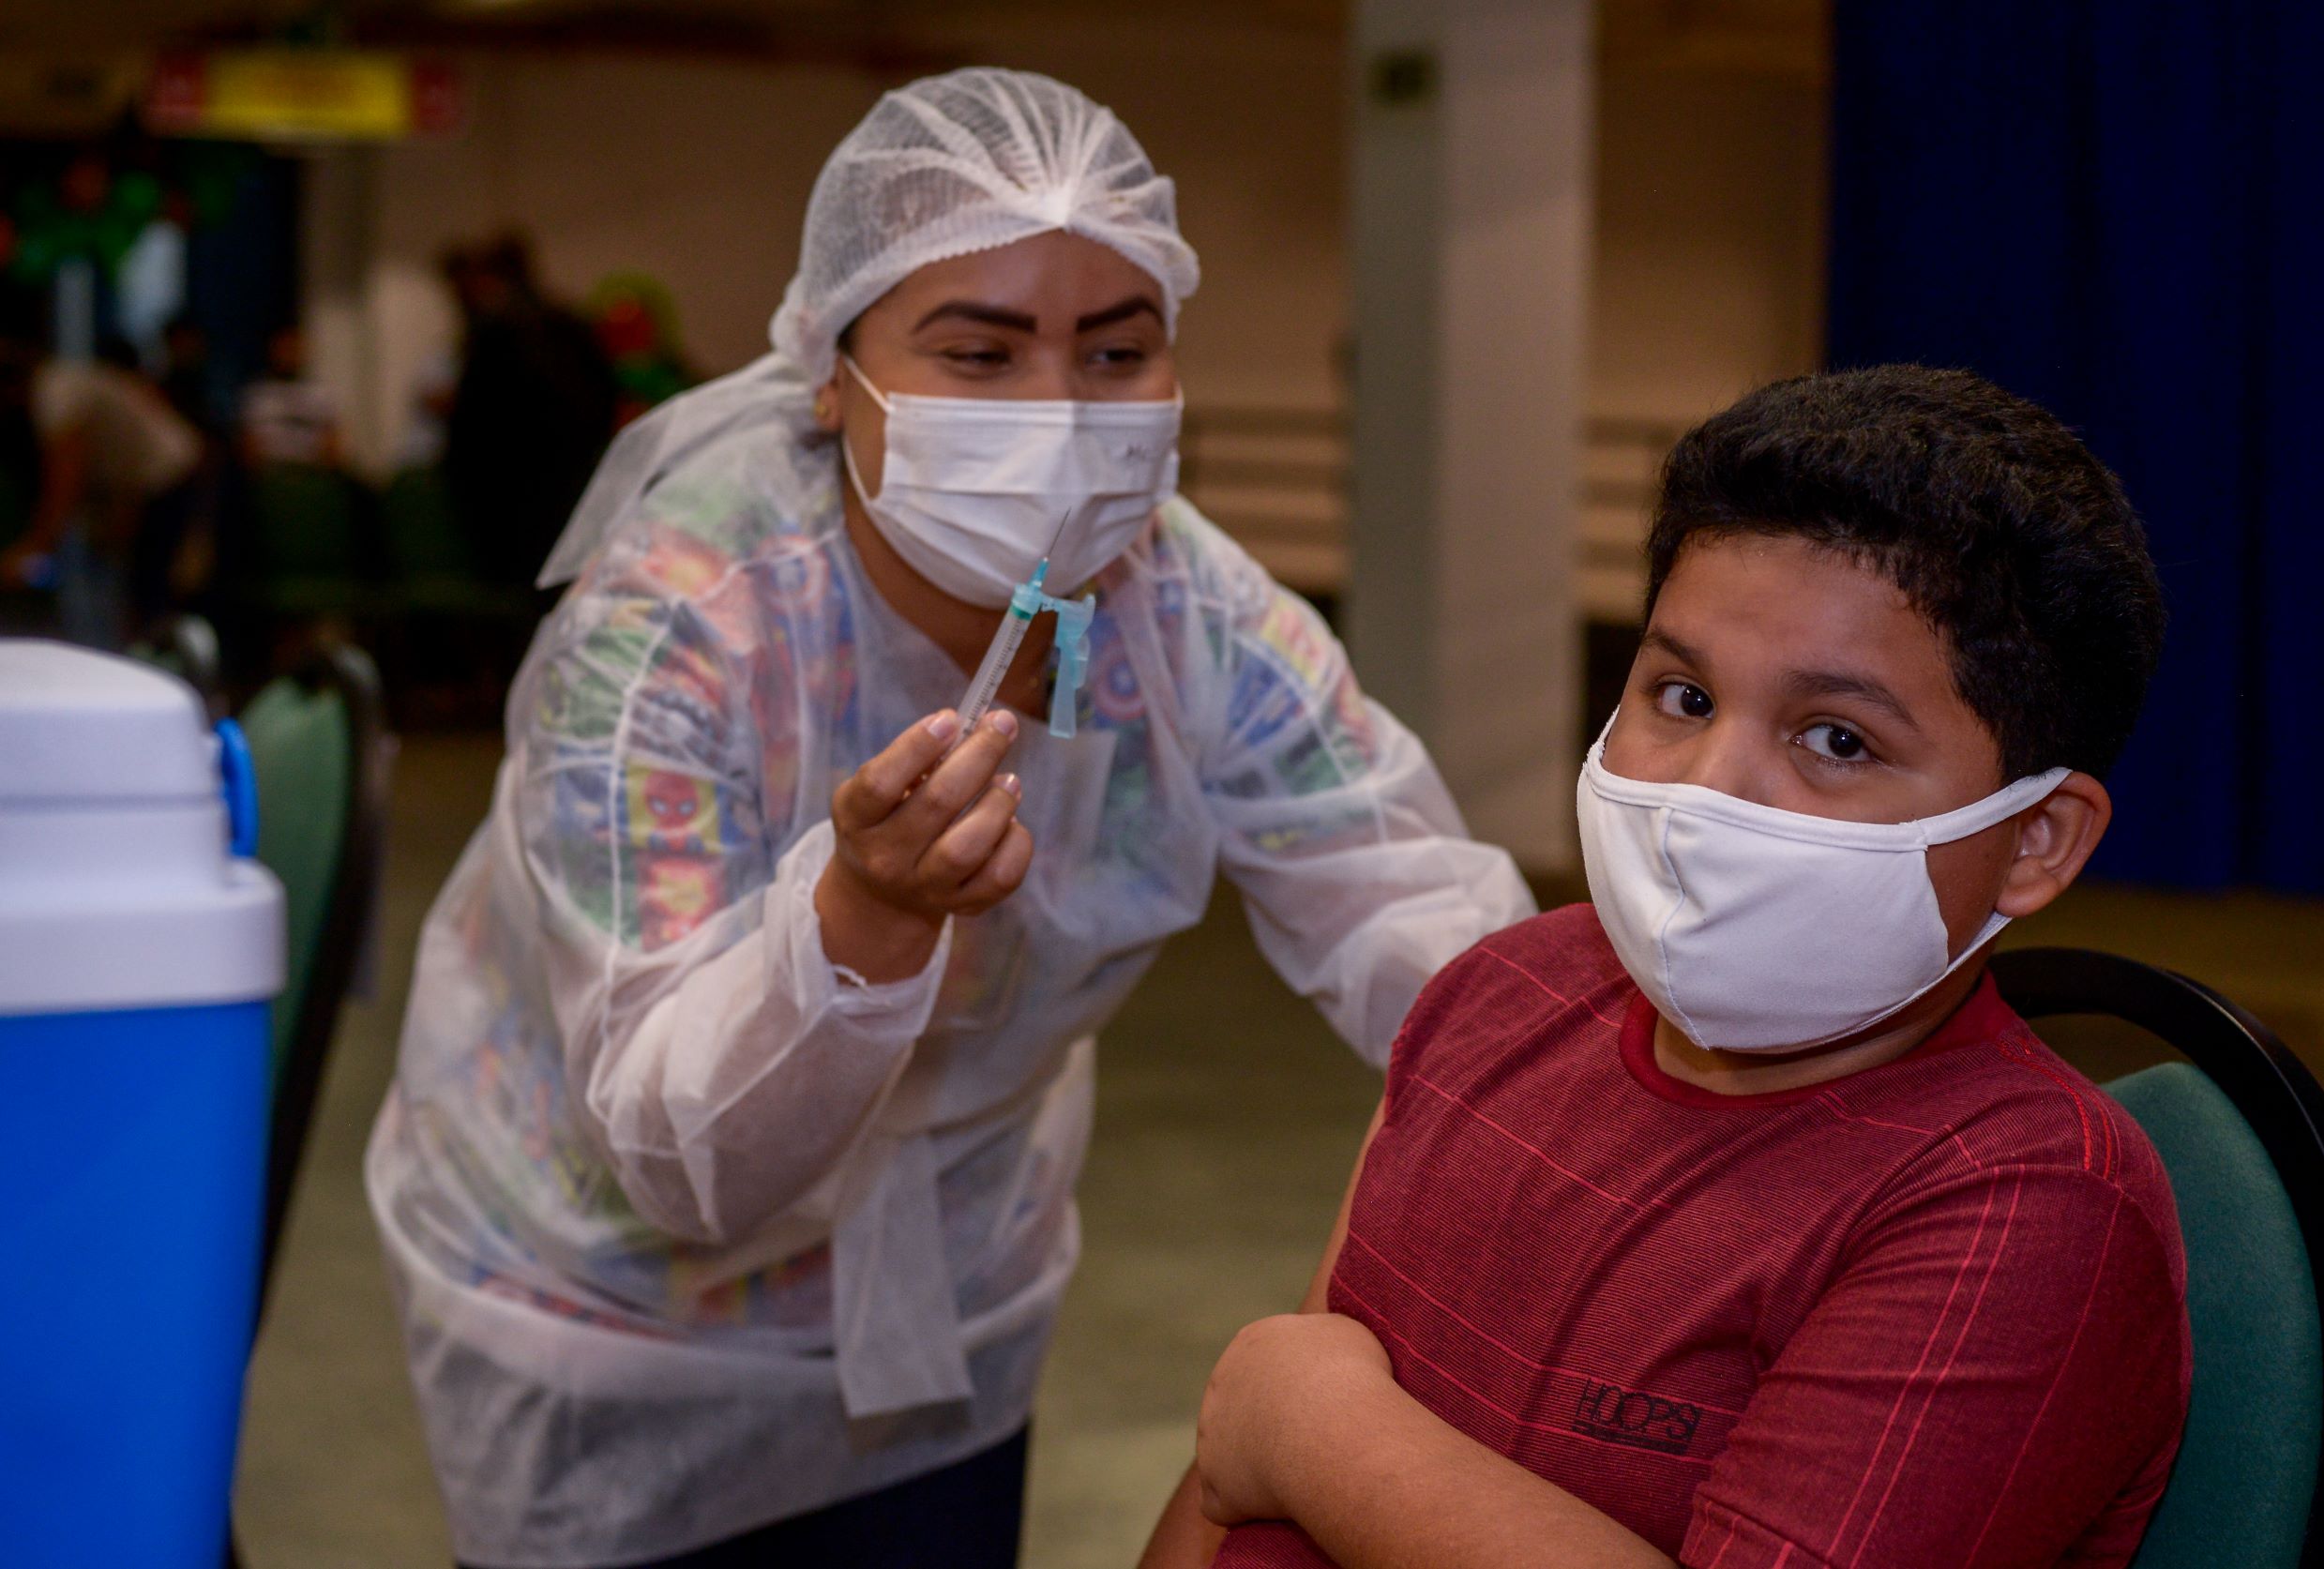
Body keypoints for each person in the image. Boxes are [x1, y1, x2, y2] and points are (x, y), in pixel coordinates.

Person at [367, 68, 1533, 1569]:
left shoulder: (1184, 612)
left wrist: (1601, 1073)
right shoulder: (678, 628)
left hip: (957, 1304)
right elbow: (672, 1145)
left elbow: (1407, 901)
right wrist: (862, 917)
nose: (1058, 413)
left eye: (1116, 351)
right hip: (621, 1331)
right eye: (978, 353)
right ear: (829, 372)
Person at [1146, 366, 2187, 1569]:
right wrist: (1282, 1422)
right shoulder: (1505, 993)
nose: (1704, 789)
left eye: (1836, 737)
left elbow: (1278, 1407)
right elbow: (1230, 1475)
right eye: (1682, 696)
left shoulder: (2024, 1207)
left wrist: (1324, 1435)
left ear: (2035, 838)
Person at [0, 323, 202, 646]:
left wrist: (33, 550)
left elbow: (65, 483)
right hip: (139, 481)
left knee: (146, 591)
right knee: (127, 587)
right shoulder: (60, 380)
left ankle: (150, 660)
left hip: (167, 473)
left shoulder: (55, 392)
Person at [441, 233, 619, 591]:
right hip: (575, 479)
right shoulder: (568, 320)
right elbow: (606, 393)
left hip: (511, 490)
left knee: (520, 595)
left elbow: (472, 419)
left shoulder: (496, 328)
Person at [237, 324, 344, 471]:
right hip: (272, 470)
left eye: (293, 348)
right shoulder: (258, 394)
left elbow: (332, 438)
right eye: (283, 349)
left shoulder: (319, 393)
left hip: (312, 470)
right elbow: (248, 443)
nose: (288, 355)